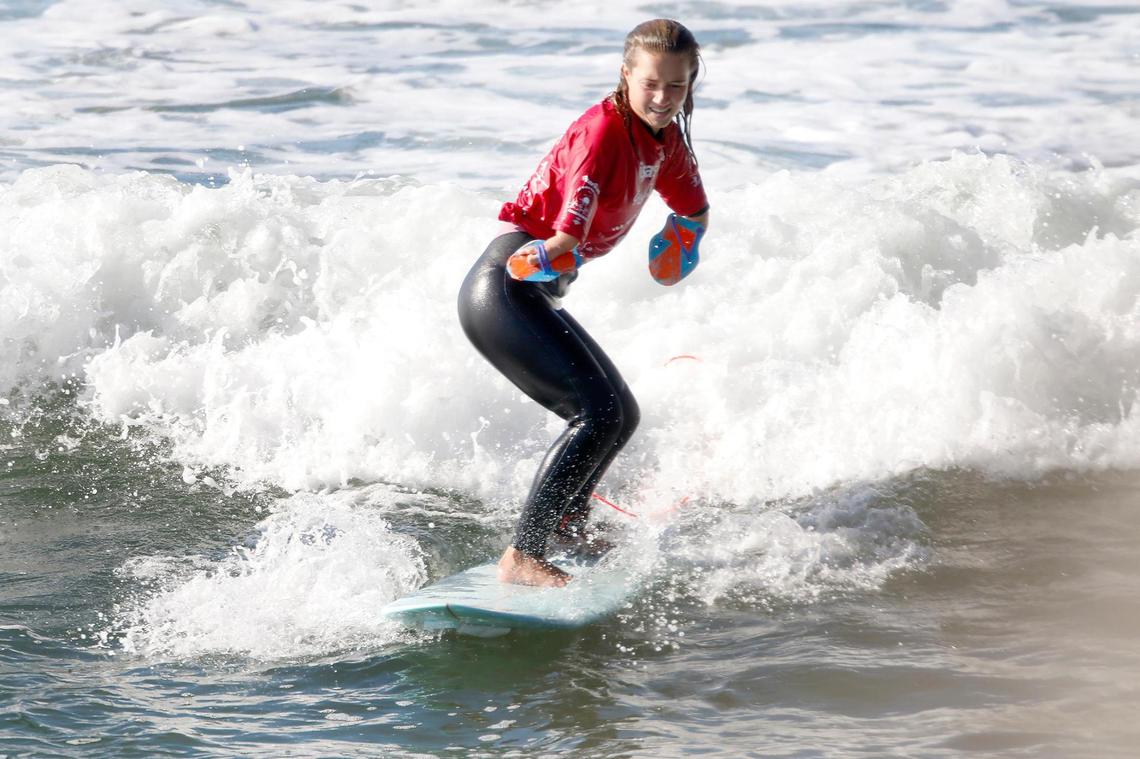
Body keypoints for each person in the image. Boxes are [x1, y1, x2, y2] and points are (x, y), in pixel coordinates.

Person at [457, 18, 710, 587]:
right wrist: (555, 252)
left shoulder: (664, 140)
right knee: (595, 416)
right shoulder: (603, 135)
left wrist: (686, 235)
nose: (663, 97)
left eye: (677, 86)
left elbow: (694, 205)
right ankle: (522, 554)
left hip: (535, 294)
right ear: (626, 76)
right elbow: (569, 231)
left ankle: (568, 523)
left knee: (622, 417)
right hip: (504, 289)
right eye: (650, 83)